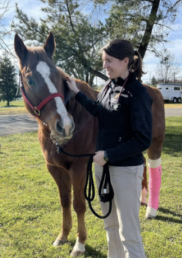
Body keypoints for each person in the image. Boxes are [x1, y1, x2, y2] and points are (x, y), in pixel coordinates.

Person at [66, 39, 152, 258]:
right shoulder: (108, 86)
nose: (105, 66)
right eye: (104, 61)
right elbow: (99, 111)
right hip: (103, 170)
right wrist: (77, 93)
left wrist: (109, 155)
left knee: (129, 234)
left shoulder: (138, 93)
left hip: (125, 171)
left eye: (109, 61)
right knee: (110, 228)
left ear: (125, 61)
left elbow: (143, 139)